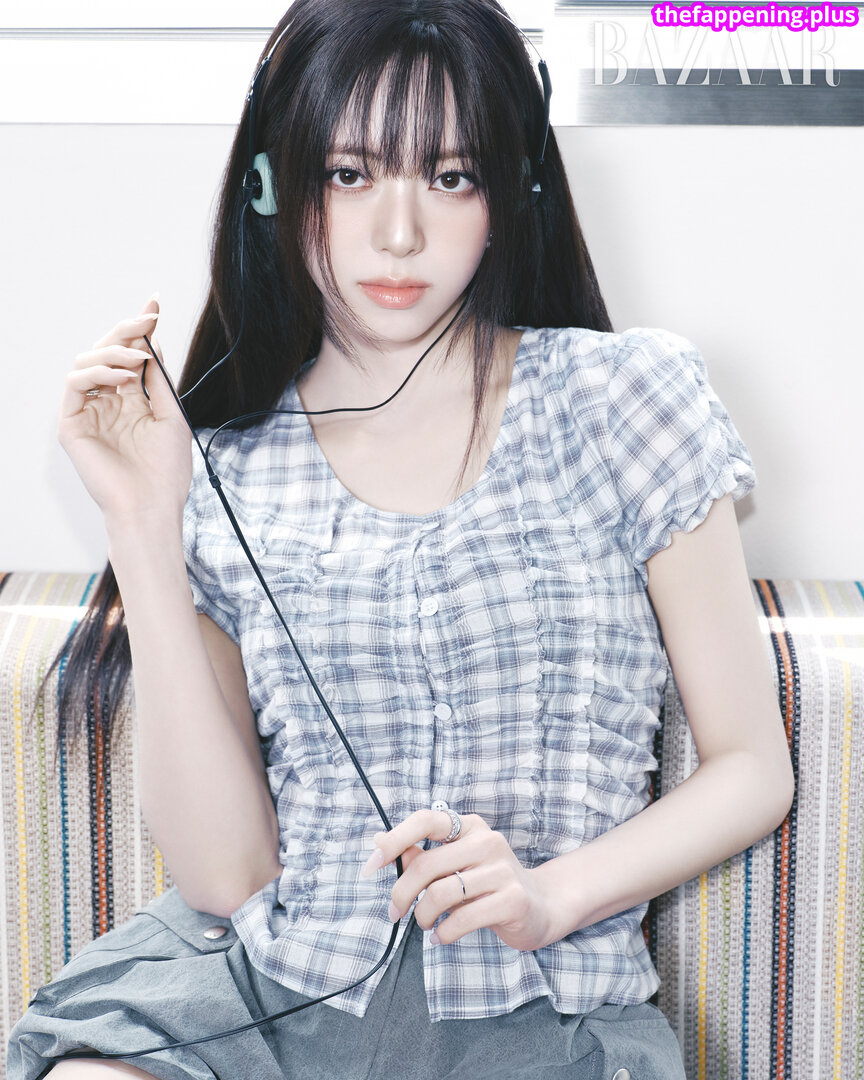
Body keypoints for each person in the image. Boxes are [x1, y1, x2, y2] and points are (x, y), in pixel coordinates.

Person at [7, 1, 794, 1077]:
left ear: (514, 188)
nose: (399, 234)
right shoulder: (225, 469)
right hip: (261, 1003)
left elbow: (752, 766)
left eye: (451, 176)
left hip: (539, 1020)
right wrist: (142, 522)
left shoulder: (623, 398)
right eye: (349, 173)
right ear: (272, 185)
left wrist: (548, 894)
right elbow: (227, 879)